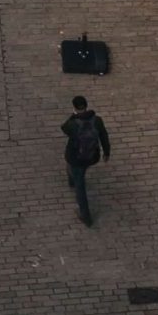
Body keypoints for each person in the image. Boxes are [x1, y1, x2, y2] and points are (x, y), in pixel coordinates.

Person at [62, 95, 111, 225]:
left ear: (74, 107)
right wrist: (106, 152)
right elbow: (104, 136)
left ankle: (85, 216)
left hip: (75, 158)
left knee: (80, 186)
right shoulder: (97, 120)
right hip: (92, 156)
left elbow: (64, 128)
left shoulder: (72, 124)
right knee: (78, 172)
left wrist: (74, 116)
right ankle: (72, 179)